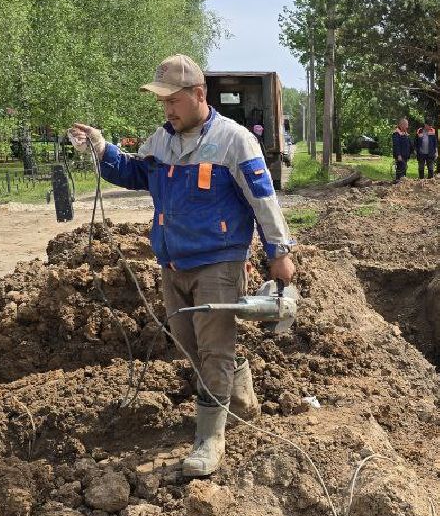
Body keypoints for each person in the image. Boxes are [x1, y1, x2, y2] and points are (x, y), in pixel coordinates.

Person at [69, 54, 295, 480]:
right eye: (163, 103)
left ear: (198, 94)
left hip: (218, 262)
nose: (168, 110)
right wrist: (102, 147)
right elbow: (136, 173)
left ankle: (211, 439)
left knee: (212, 350)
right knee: (190, 344)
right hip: (173, 262)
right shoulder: (162, 139)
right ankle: (238, 390)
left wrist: (278, 251)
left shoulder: (234, 140)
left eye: (174, 101)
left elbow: (263, 197)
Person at [391, 118, 414, 183]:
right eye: (406, 125)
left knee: (403, 171)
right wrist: (398, 155)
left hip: (405, 156)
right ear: (401, 125)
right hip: (400, 156)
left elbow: (409, 143)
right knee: (400, 171)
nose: (407, 126)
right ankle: (398, 184)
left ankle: (402, 184)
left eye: (407, 124)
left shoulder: (405, 133)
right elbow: (396, 145)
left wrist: (412, 151)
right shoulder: (396, 133)